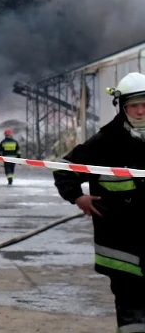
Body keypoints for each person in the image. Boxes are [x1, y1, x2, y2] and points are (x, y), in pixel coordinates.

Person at [54, 72, 145, 331]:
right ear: (122, 107)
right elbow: (63, 168)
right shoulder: (106, 141)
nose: (140, 111)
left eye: (144, 105)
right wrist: (77, 196)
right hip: (120, 246)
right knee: (131, 314)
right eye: (133, 106)